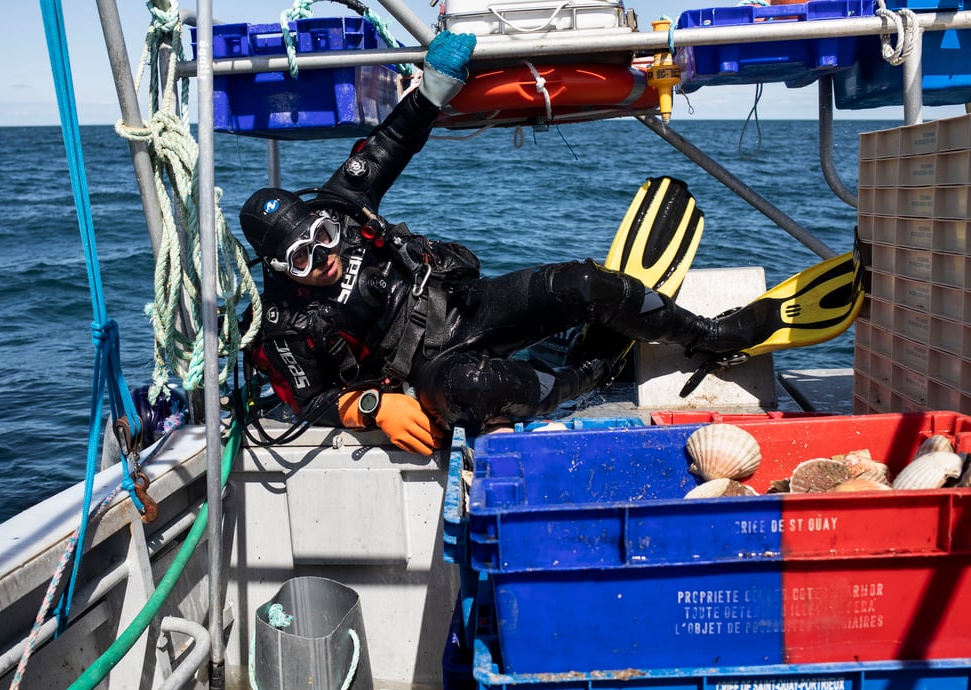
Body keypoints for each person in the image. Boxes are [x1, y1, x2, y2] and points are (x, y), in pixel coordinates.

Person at [239, 31, 765, 455]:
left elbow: (389, 144)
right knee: (472, 392)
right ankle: (588, 372)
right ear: (278, 268)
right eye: (302, 259)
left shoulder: (340, 206)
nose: (324, 257)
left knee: (581, 282)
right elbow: (307, 400)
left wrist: (432, 89)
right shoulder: (283, 325)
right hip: (425, 372)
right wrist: (373, 408)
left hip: (465, 307)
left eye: (323, 238)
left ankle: (708, 335)